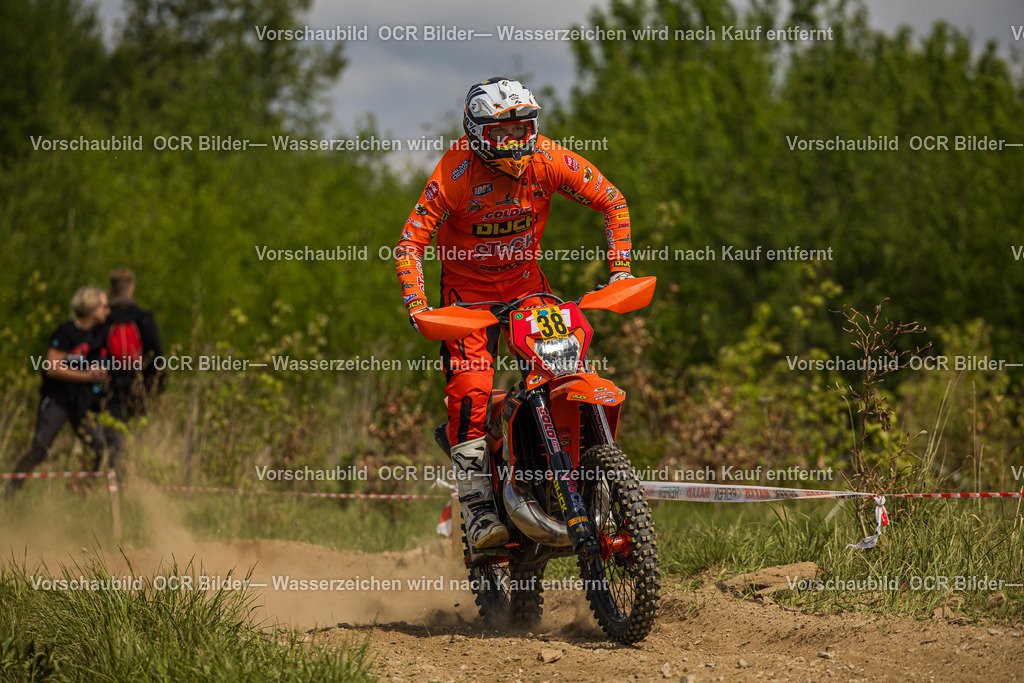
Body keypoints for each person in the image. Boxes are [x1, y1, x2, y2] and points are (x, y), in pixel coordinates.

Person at [395, 77, 635, 549]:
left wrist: (620, 271)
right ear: (476, 131)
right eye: (503, 133)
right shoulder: (455, 173)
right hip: (466, 297)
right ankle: (480, 505)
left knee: (566, 363)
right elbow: (410, 241)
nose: (515, 141)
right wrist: (418, 305)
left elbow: (613, 201)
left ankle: (580, 467)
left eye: (522, 129)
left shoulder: (547, 158)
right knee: (471, 388)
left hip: (527, 288)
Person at [3, 286, 117, 497]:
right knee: (40, 447)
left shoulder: (99, 334)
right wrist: (87, 377)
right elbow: (52, 367)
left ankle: (78, 492)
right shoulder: (66, 332)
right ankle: (9, 490)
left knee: (97, 446)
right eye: (104, 306)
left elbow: (97, 364)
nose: (107, 310)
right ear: (91, 308)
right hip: (58, 400)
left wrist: (102, 377)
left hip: (83, 403)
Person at [103, 267, 165, 422]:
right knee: (136, 435)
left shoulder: (103, 320)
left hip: (109, 388)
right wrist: (157, 390)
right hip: (138, 386)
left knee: (110, 434)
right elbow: (156, 355)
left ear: (111, 290)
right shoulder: (144, 318)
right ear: (132, 288)